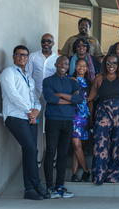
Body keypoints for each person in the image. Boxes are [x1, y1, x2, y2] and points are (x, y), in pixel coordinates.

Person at [0, 45, 50, 200]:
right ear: (13, 56)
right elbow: (13, 95)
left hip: (29, 117)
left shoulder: (28, 76)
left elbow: (36, 98)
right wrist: (30, 111)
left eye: (25, 55)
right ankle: (36, 185)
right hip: (15, 116)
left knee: (29, 152)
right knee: (31, 150)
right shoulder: (7, 73)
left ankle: (29, 190)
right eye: (19, 55)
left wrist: (36, 110)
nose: (23, 58)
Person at [42, 56, 84, 198]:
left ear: (68, 67)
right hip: (53, 121)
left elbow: (79, 99)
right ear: (56, 64)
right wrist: (70, 99)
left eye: (66, 63)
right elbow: (49, 98)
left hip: (68, 121)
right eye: (60, 62)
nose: (63, 65)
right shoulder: (48, 81)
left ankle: (60, 186)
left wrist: (59, 95)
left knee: (63, 154)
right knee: (50, 153)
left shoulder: (72, 82)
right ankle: (49, 187)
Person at [88, 54, 119, 185]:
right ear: (104, 64)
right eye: (108, 63)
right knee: (100, 142)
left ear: (118, 65)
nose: (111, 66)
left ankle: (115, 175)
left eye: (114, 63)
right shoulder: (99, 78)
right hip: (103, 112)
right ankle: (99, 175)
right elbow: (90, 98)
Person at [26, 33, 59, 167]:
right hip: (36, 97)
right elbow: (28, 76)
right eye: (44, 41)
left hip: (51, 97)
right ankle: (38, 158)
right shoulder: (33, 57)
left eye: (49, 41)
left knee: (52, 126)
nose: (46, 43)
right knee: (37, 128)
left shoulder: (58, 59)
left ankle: (53, 157)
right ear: (41, 42)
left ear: (53, 43)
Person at [70, 58, 93, 182]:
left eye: (84, 66)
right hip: (72, 114)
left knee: (78, 147)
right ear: (75, 66)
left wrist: (91, 119)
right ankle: (85, 171)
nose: (81, 68)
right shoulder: (70, 79)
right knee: (76, 144)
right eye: (79, 65)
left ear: (87, 68)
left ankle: (74, 174)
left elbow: (90, 101)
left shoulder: (89, 83)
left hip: (84, 116)